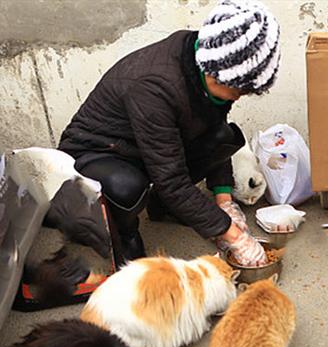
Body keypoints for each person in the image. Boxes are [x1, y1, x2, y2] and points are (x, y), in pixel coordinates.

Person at [58, 0, 279, 266]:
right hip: (97, 154)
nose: (238, 97)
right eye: (238, 91)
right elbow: (171, 180)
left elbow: (213, 128)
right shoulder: (154, 87)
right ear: (216, 74)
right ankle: (122, 234)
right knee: (127, 187)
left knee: (224, 136)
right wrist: (233, 235)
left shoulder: (210, 59)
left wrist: (224, 202)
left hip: (144, 145)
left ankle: (164, 207)